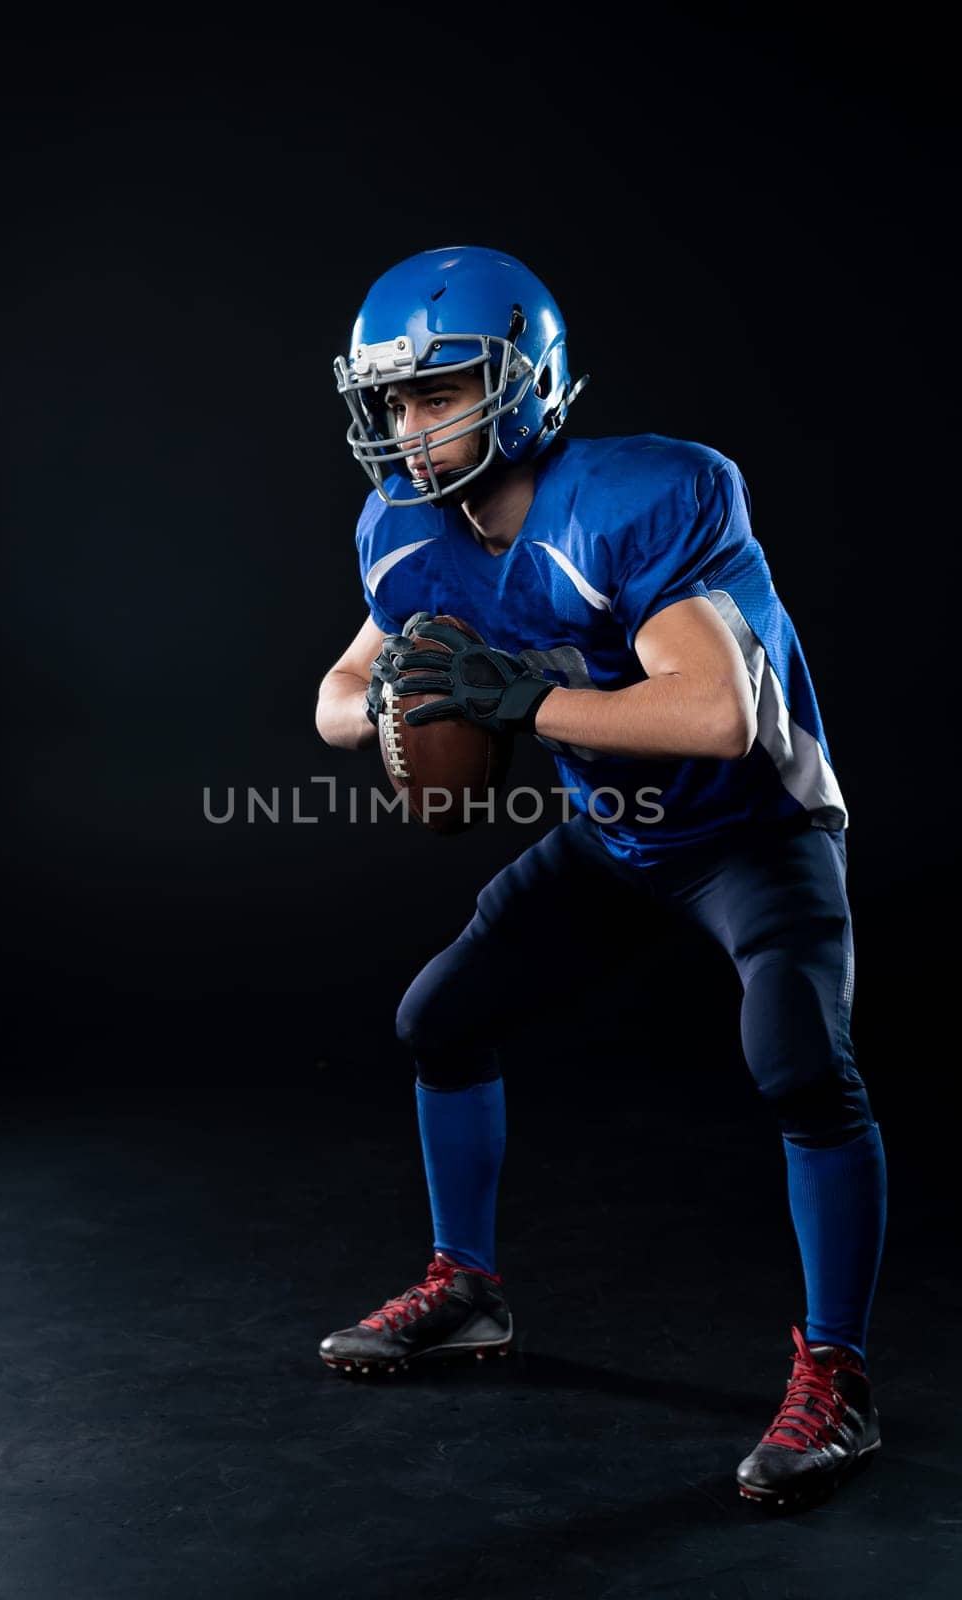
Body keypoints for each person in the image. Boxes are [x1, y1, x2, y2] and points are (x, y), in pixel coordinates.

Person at [313, 244, 887, 1511]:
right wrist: (405, 707)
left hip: (752, 831)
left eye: (438, 391)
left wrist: (521, 692)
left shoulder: (637, 496)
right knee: (439, 1019)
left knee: (798, 1058)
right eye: (395, 401)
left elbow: (717, 717)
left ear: (520, 384)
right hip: (617, 831)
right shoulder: (410, 535)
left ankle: (834, 1375)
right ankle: (466, 1288)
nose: (410, 429)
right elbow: (333, 698)